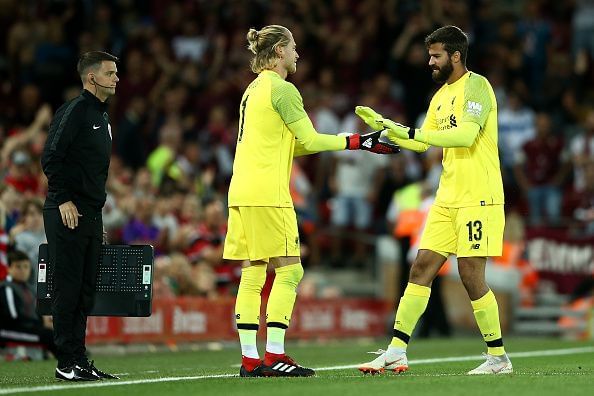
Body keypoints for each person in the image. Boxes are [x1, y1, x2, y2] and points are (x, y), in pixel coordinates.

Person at [223, 25, 399, 378]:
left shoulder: (252, 90)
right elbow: (312, 140)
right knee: (290, 270)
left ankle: (249, 360)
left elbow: (296, 144)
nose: (298, 54)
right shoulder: (284, 90)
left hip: (241, 192)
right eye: (292, 48)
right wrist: (358, 142)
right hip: (269, 194)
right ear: (277, 54)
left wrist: (355, 141)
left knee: (254, 271)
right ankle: (274, 354)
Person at [355, 26, 513, 375]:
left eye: (436, 55)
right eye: (430, 55)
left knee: (471, 274)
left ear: (455, 55)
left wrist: (413, 132)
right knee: (421, 266)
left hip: (479, 196)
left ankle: (498, 358)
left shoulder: (478, 86)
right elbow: (424, 143)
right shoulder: (439, 96)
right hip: (447, 196)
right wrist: (390, 127)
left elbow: (466, 135)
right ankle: (396, 350)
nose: (430, 61)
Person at [41, 51, 119, 381]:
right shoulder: (74, 111)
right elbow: (51, 156)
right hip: (67, 211)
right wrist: (62, 200)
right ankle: (66, 362)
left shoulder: (102, 116)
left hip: (89, 213)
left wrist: (95, 217)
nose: (117, 78)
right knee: (68, 288)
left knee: (86, 291)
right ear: (92, 78)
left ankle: (79, 359)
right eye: (111, 72)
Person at [0, 250, 57, 358]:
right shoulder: (7, 288)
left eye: (26, 267)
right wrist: (41, 323)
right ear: (9, 268)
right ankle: (67, 362)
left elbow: (34, 312)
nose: (22, 270)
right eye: (18, 267)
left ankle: (71, 359)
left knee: (55, 332)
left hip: (25, 327)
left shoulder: (29, 288)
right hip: (7, 330)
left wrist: (45, 321)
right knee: (48, 336)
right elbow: (13, 318)